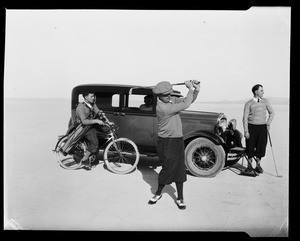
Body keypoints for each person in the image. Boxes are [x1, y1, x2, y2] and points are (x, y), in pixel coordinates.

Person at [148, 80, 200, 210]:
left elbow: (189, 100)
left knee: (179, 168)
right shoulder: (162, 108)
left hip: (177, 140)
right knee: (168, 168)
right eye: (166, 95)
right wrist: (190, 88)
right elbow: (186, 104)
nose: (169, 96)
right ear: (159, 96)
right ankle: (158, 193)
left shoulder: (169, 102)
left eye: (170, 94)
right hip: (166, 142)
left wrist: (196, 89)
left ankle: (180, 197)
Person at [75, 91, 113, 169]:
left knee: (107, 129)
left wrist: (108, 121)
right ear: (86, 97)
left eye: (93, 96)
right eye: (91, 96)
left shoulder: (92, 104)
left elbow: (99, 113)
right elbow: (84, 121)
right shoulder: (80, 107)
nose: (93, 98)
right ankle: (84, 159)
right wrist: (96, 121)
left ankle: (93, 157)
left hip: (90, 125)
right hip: (83, 127)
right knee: (94, 143)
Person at [243, 84, 275, 174]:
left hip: (262, 128)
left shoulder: (266, 101)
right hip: (251, 128)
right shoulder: (248, 103)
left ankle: (258, 166)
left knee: (261, 148)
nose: (263, 92)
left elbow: (272, 113)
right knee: (250, 147)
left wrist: (268, 124)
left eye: (263, 90)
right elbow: (245, 118)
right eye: (261, 90)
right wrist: (246, 131)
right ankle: (249, 166)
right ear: (255, 92)